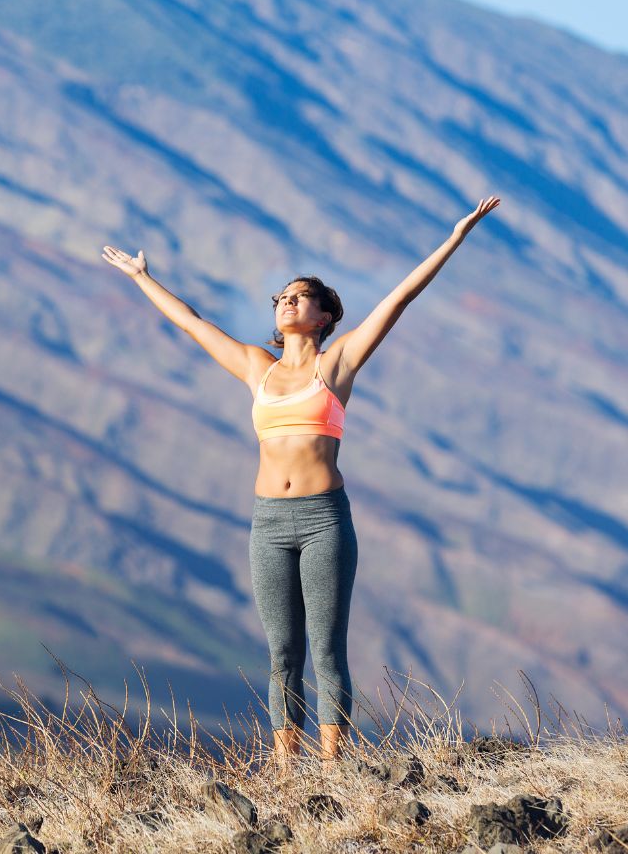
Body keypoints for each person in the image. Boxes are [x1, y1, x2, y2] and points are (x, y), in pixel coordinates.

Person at [101, 196, 500, 771]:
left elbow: (402, 296)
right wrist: (143, 278)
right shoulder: (255, 366)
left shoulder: (336, 365)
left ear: (324, 316)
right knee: (282, 652)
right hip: (268, 523)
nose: (285, 301)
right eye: (280, 297)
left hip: (323, 521)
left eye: (298, 296)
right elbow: (190, 322)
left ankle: (334, 769)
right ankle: (289, 771)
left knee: (326, 650)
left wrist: (456, 235)